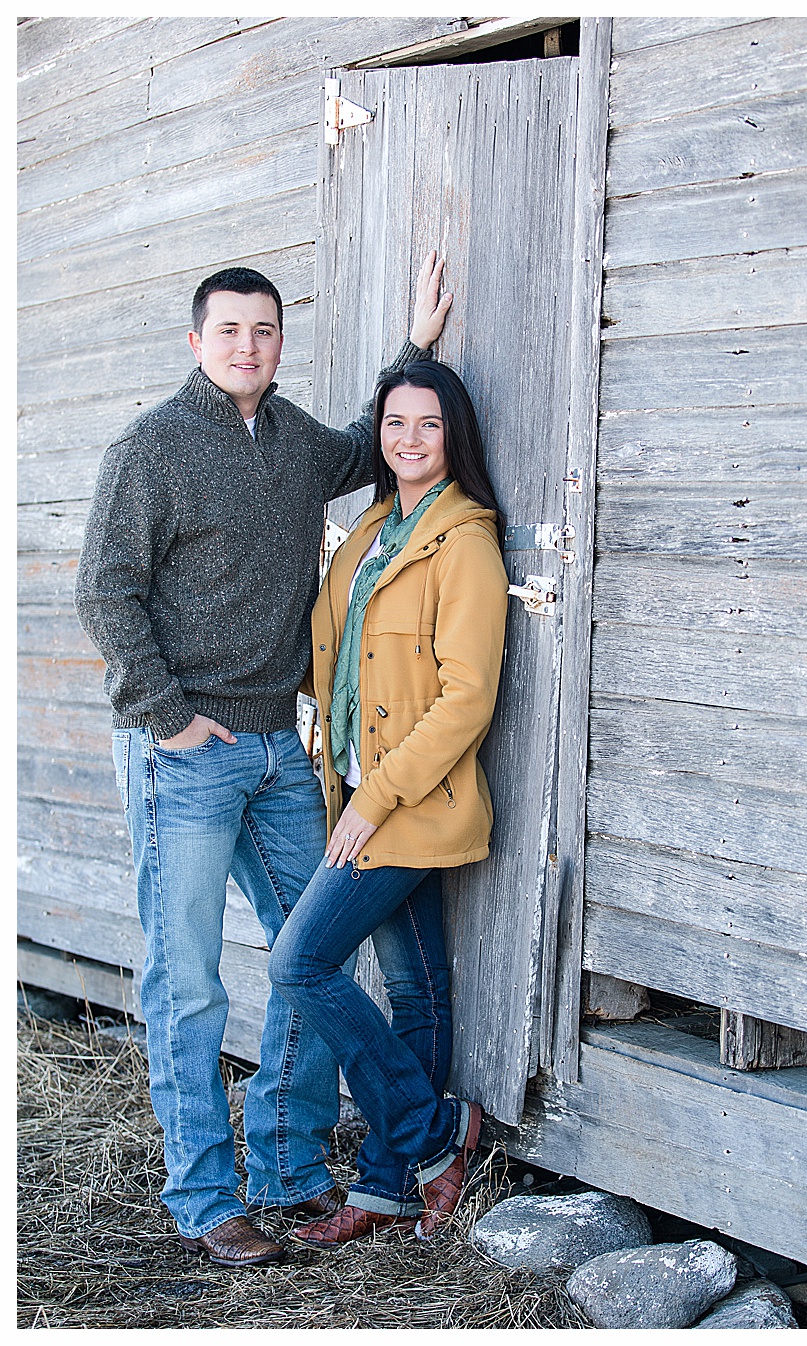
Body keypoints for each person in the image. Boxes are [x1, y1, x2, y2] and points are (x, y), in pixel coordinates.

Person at [76, 254, 454, 1267]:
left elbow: (377, 436)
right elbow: (105, 591)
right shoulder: (151, 447)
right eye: (229, 330)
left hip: (279, 748)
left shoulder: (295, 444)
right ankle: (205, 1198)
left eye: (266, 330)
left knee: (309, 951)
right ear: (197, 342)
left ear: (280, 342)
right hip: (184, 753)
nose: (249, 345)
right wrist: (168, 716)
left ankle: (285, 1164)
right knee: (189, 983)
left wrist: (417, 351)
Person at [265, 358, 507, 1246]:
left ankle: (438, 1138)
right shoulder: (371, 528)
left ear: (456, 438)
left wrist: (376, 798)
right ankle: (391, 1186)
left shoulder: (467, 544)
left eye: (429, 426)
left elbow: (466, 697)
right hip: (357, 793)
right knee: (416, 990)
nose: (408, 441)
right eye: (395, 424)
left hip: (410, 803)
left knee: (301, 962)